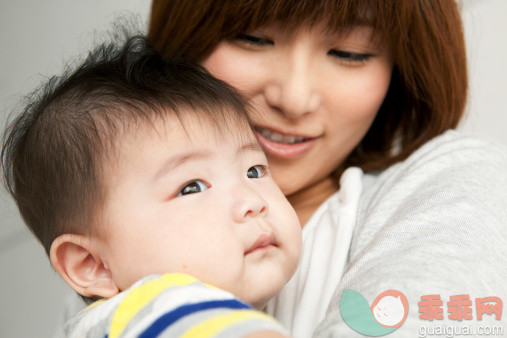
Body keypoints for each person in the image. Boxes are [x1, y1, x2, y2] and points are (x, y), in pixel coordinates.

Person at [148, 0, 507, 336]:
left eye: (349, 53)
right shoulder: (104, 212)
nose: (294, 99)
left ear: (401, 67)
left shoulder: (452, 186)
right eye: (253, 38)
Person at [1, 36, 303, 337]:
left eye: (254, 170)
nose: (252, 201)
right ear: (92, 264)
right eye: (192, 187)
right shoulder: (155, 308)